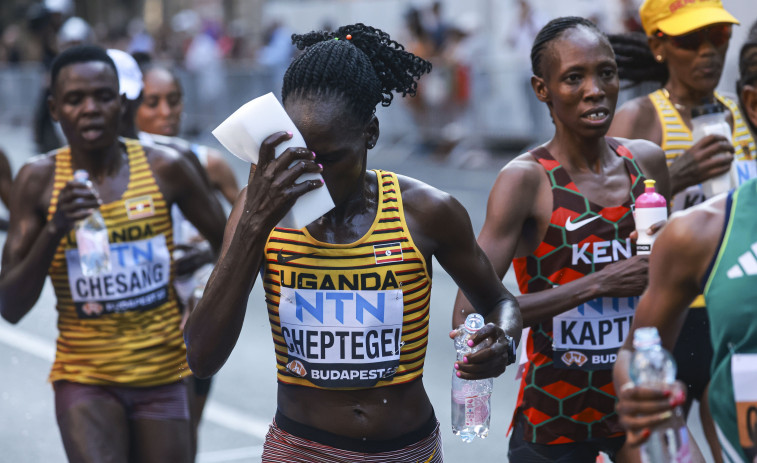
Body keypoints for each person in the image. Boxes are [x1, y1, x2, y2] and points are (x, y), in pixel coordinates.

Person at [184, 23, 522, 462]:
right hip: (301, 449)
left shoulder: (426, 211)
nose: (314, 175)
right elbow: (202, 356)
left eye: (332, 158)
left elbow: (501, 302)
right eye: (302, 154)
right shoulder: (262, 209)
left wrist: (504, 341)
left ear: (371, 134)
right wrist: (254, 226)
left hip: (408, 451)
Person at [453, 16, 670, 462]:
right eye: (574, 78)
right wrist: (598, 284)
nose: (595, 90)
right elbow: (470, 313)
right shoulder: (526, 181)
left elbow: (671, 280)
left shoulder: (646, 163)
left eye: (606, 73)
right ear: (542, 89)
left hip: (638, 406)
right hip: (554, 418)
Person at [0, 44, 226, 463]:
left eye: (103, 96)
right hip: (85, 376)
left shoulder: (167, 167)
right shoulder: (38, 181)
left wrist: (199, 295)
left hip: (164, 371)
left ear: (121, 103)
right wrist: (55, 229)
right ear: (54, 109)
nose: (90, 109)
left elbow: (230, 246)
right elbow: (10, 305)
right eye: (74, 99)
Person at [608, 1, 755, 459]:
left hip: (730, 305)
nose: (707, 53)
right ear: (658, 46)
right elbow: (602, 221)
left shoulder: (740, 112)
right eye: (691, 41)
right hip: (674, 308)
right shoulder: (641, 118)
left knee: (731, 442)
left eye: (718, 39)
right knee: (659, 445)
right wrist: (680, 174)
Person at [135, 60, 240, 455]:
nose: (166, 112)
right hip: (139, 317)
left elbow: (248, 235)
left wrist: (202, 256)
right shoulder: (117, 169)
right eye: (153, 102)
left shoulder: (207, 163)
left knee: (182, 430)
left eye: (174, 101)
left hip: (195, 317)